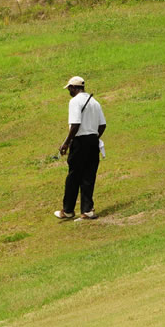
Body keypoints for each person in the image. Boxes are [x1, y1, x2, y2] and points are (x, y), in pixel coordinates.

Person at [55, 75, 106, 220]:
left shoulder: (74, 102)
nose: (69, 92)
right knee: (89, 176)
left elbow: (75, 124)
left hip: (80, 141)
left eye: (69, 89)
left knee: (73, 176)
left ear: (73, 87)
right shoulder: (95, 102)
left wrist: (66, 142)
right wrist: (94, 137)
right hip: (93, 141)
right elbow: (102, 125)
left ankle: (68, 210)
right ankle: (87, 210)